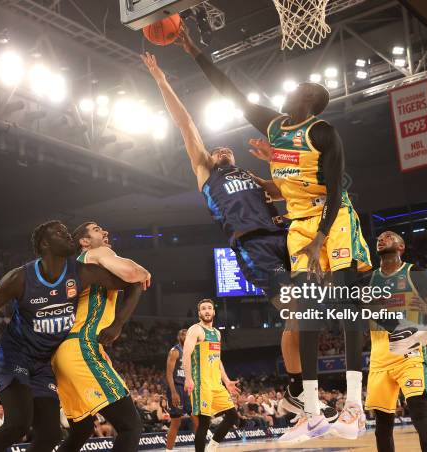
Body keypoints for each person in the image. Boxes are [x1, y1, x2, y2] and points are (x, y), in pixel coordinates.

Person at [176, 25, 372, 441]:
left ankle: (355, 406)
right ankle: (313, 412)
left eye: (296, 87)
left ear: (308, 99)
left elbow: (336, 189)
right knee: (308, 316)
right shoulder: (276, 128)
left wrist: (321, 236)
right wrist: (194, 50)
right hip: (298, 226)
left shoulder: (323, 132)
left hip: (331, 220)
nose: (287, 91)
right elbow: (229, 90)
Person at [141, 52, 304, 421]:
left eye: (226, 148)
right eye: (216, 150)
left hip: (284, 234)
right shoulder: (206, 172)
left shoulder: (251, 177)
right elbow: (185, 125)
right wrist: (161, 80)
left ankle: (301, 391)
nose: (221, 149)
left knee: (313, 308)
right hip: (253, 245)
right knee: (294, 313)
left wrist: (276, 158)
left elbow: (288, 189)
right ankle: (295, 392)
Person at [0, 220, 144, 452]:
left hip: (46, 361)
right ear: (44, 244)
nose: (66, 234)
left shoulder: (79, 272)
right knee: (18, 424)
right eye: (59, 232)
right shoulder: (21, 277)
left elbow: (133, 282)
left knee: (55, 433)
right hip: (17, 356)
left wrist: (119, 321)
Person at [53, 221, 151, 452]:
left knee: (82, 429)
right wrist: (144, 271)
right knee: (130, 426)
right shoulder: (95, 253)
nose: (105, 231)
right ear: (84, 242)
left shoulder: (78, 266)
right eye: (97, 230)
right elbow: (131, 274)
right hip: (80, 347)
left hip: (65, 351)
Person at [365, 231, 427, 452]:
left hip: (409, 355)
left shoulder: (415, 273)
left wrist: (426, 308)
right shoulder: (370, 278)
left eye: (388, 236)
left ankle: (407, 332)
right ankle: (402, 329)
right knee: (382, 427)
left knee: (420, 416)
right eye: (379, 238)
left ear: (401, 246)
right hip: (380, 358)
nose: (381, 239)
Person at [183, 299, 240, 452]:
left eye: (209, 308)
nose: (207, 311)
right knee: (204, 423)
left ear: (214, 312)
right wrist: (188, 378)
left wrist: (226, 381)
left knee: (233, 416)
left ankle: (212, 446)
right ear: (199, 313)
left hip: (216, 384)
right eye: (203, 309)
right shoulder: (195, 330)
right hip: (201, 383)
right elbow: (186, 355)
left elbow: (217, 359)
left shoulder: (217, 333)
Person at [165, 329, 198, 451]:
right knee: (176, 422)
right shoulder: (175, 351)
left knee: (197, 420)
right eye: (182, 334)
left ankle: (199, 448)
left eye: (186, 334)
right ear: (179, 338)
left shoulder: (192, 352)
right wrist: (173, 392)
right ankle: (168, 450)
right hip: (177, 388)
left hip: (188, 388)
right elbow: (168, 374)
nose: (184, 336)